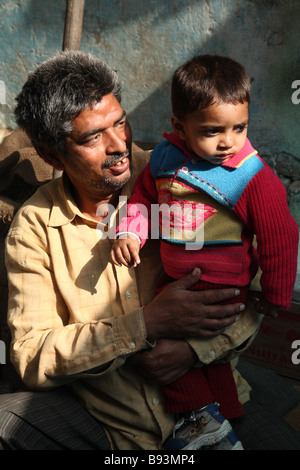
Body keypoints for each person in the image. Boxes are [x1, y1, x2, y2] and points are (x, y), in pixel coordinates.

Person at [0, 50, 293, 451]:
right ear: (53, 155)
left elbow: (250, 290)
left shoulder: (181, 172)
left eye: (120, 122)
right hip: (115, 429)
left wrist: (194, 350)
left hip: (219, 403)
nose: (119, 144)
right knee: (7, 421)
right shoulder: (35, 227)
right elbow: (32, 356)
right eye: (93, 137)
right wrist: (145, 326)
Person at [111, 55, 299, 450]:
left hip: (221, 287)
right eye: (213, 131)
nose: (228, 141)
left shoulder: (249, 175)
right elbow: (144, 199)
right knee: (208, 360)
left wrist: (276, 291)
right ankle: (226, 419)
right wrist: (130, 231)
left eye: (239, 127)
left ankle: (197, 422)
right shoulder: (165, 159)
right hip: (180, 281)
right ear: (180, 126)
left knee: (163, 353)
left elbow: (280, 234)